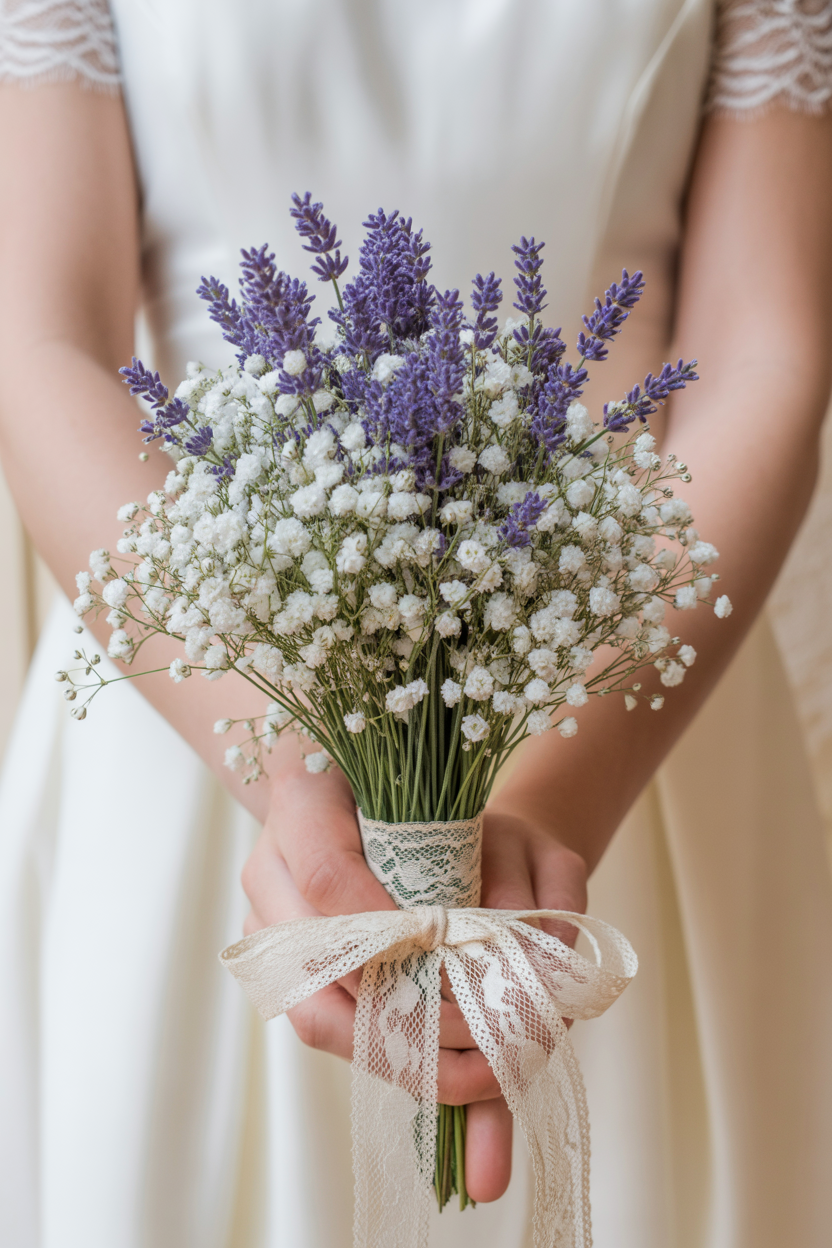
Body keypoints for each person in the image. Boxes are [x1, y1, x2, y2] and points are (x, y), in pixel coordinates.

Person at [1, 1, 832, 1245]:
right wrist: (297, 778)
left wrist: (544, 819)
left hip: (630, 703)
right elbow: (42, 341)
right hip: (192, 708)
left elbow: (758, 353)